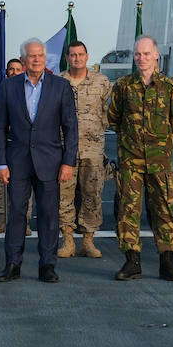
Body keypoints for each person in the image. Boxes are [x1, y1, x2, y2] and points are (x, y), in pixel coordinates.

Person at [0, 39, 78, 282]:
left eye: (40, 55)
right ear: (23, 60)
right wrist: (1, 162)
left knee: (49, 214)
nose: (37, 59)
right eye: (31, 56)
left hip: (51, 162)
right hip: (17, 161)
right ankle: (12, 264)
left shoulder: (60, 86)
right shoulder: (8, 87)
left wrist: (68, 162)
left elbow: (71, 128)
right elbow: (0, 127)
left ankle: (47, 265)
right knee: (17, 213)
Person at [106, 35, 173, 281]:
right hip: (131, 161)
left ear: (156, 55)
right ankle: (132, 261)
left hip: (160, 162)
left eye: (146, 54)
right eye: (138, 54)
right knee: (128, 210)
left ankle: (167, 262)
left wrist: (162, 142)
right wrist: (132, 141)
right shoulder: (123, 86)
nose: (142, 58)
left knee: (164, 210)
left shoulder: (169, 87)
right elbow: (114, 119)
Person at [58, 41, 111, 258]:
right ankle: (68, 240)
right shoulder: (58, 82)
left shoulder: (101, 82)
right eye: (72, 55)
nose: (77, 58)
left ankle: (88, 241)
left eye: (80, 54)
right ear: (68, 58)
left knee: (92, 196)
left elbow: (109, 113)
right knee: (63, 196)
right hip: (64, 152)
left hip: (93, 152)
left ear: (87, 56)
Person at [0, 58, 28, 235]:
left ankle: (23, 223)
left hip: (23, 147)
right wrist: (2, 124)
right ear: (6, 72)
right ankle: (2, 220)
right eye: (11, 69)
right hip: (1, 147)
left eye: (18, 69)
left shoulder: (30, 92)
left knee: (24, 189)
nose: (14, 72)